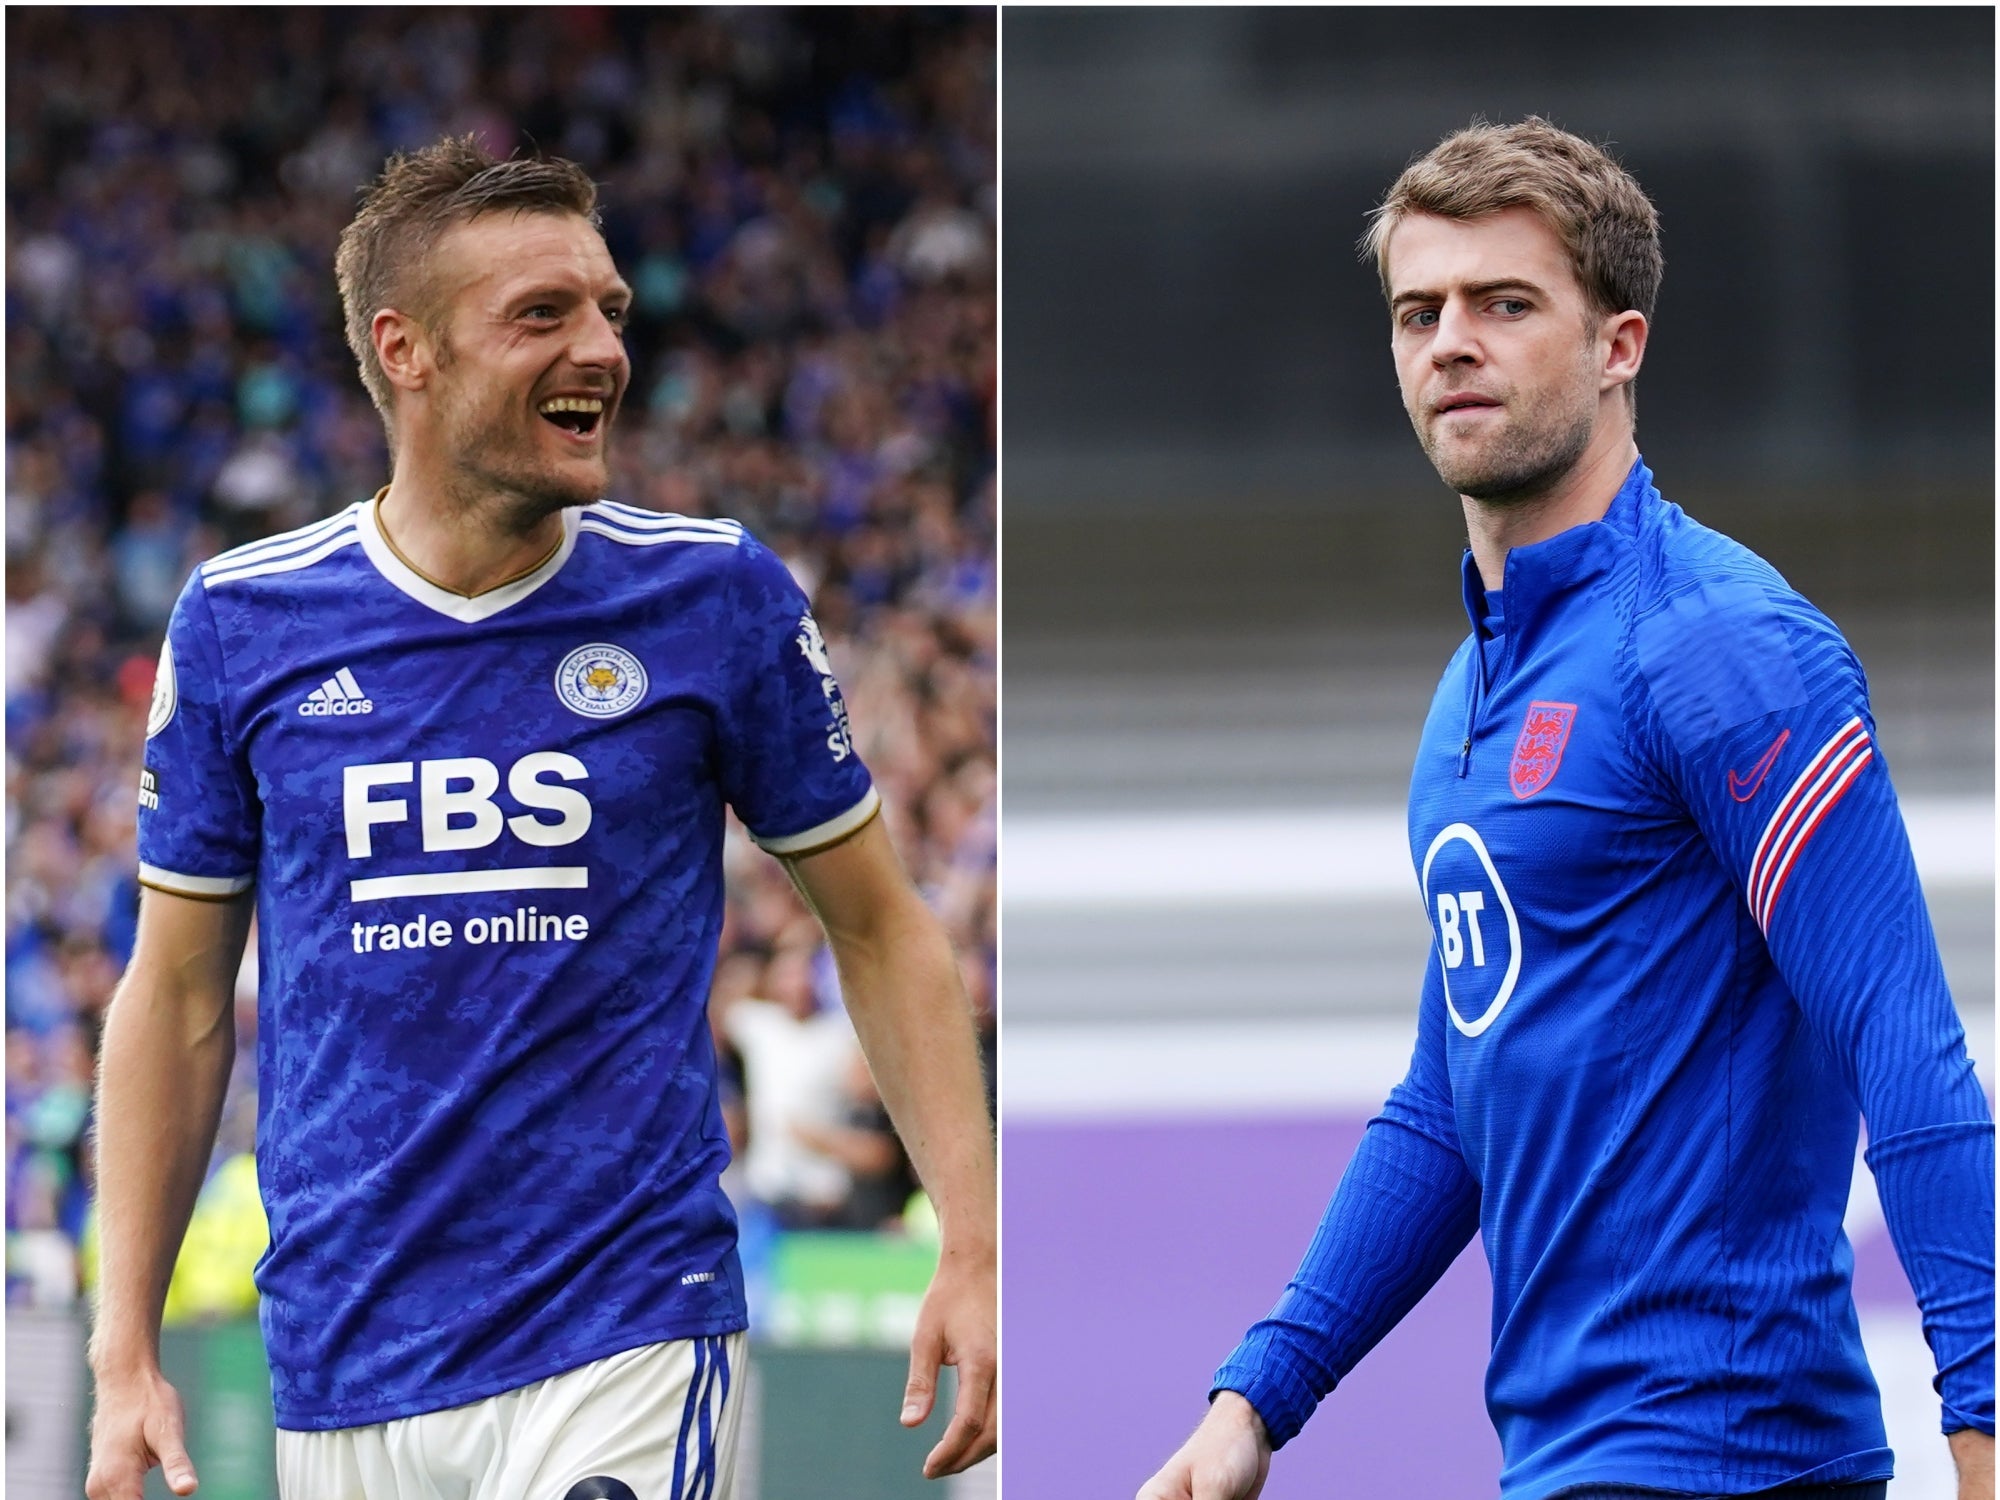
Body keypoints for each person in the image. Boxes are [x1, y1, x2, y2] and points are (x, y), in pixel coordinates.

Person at [86, 136, 995, 1500]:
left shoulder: (710, 599)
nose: (603, 350)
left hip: (623, 1325)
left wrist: (976, 1249)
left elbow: (878, 929)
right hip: (344, 1359)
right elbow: (177, 999)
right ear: (408, 350)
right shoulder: (242, 620)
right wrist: (122, 1349)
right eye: (543, 315)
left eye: (610, 310)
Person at [1137, 118, 1993, 1500]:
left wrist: (1987, 1429)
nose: (1449, 343)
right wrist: (1257, 1398)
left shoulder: (1723, 647)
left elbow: (1906, 1047)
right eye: (1420, 312)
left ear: (1620, 345)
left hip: (1729, 1462)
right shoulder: (1467, 694)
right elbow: (1446, 1100)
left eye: (1505, 304)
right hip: (1566, 1463)